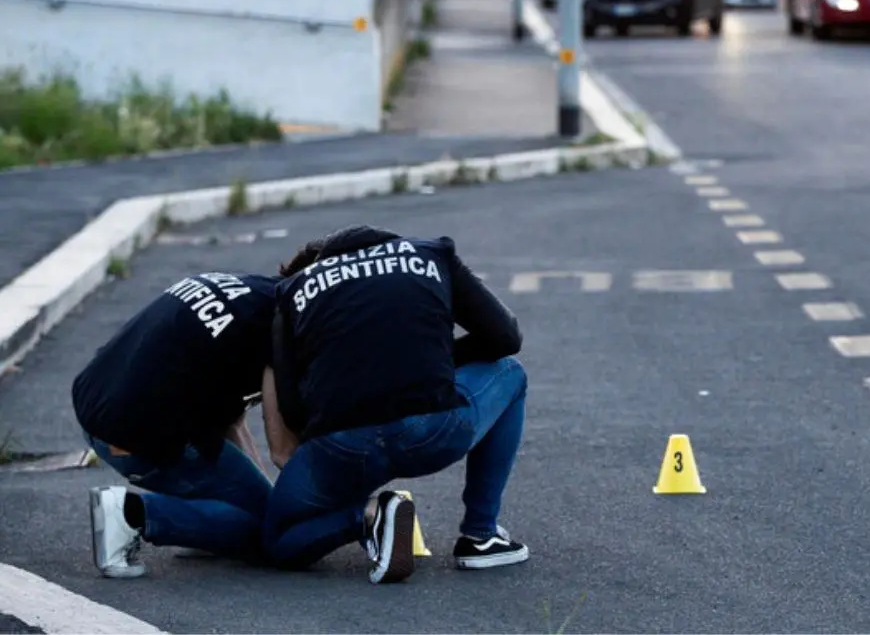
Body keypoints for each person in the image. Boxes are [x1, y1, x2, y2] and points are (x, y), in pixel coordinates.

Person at [259, 224, 529, 584]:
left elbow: (291, 407)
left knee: (278, 540)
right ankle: (481, 535)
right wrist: (431, 361)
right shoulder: (433, 254)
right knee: (510, 374)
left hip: (340, 445)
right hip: (431, 430)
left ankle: (369, 516)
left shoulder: (291, 291)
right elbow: (505, 337)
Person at [72, 270, 280, 578]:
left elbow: (232, 421)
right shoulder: (281, 328)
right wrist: (274, 508)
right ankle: (133, 514)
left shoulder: (249, 291)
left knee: (262, 506)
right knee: (272, 532)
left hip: (96, 409)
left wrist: (260, 492)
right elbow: (284, 451)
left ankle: (201, 526)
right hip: (139, 432)